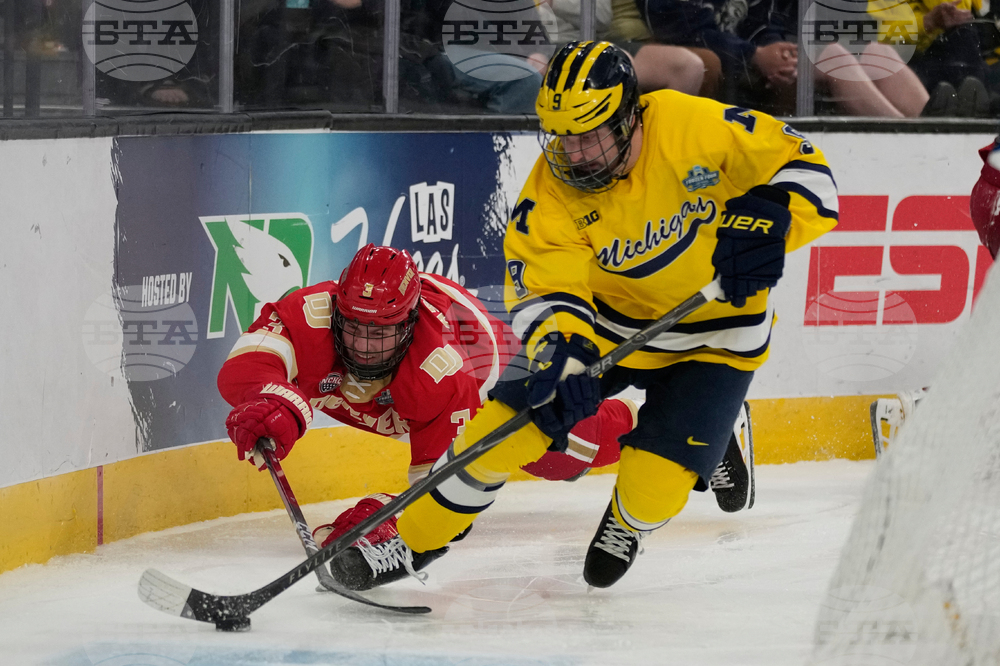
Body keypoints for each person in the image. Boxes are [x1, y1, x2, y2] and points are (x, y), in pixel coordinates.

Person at [368, 40, 839, 590]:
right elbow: (545, 284)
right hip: (606, 326)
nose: (573, 153)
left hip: (717, 332)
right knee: (499, 432)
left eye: (588, 135)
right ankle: (413, 540)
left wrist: (773, 214)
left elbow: (804, 165)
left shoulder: (692, 125)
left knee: (654, 486)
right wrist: (563, 351)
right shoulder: (550, 191)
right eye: (561, 136)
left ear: (629, 116)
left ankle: (631, 520)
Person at [219, 243, 757, 591]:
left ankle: (703, 426)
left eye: (381, 332)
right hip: (437, 357)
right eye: (354, 326)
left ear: (408, 324)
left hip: (487, 358)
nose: (363, 344)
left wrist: (380, 517)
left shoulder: (441, 372)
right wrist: (273, 399)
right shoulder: (309, 315)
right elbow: (242, 367)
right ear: (338, 310)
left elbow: (441, 493)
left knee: (568, 453)